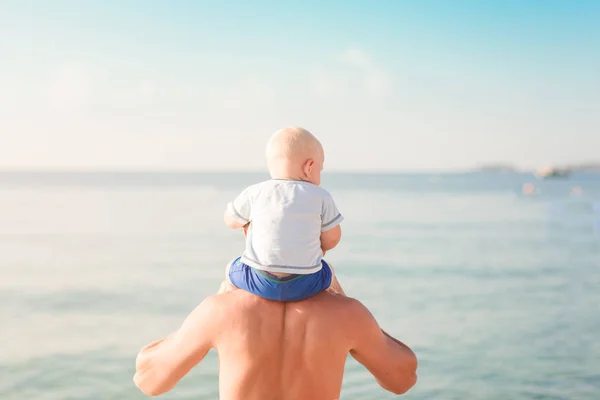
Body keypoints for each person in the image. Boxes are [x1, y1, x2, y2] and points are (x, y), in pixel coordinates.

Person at [133, 283, 418, 399]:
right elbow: (402, 379)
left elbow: (149, 380)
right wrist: (346, 304)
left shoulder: (220, 309)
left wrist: (217, 301)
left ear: (248, 234)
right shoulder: (346, 312)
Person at [223, 127, 345, 302]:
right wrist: (320, 248)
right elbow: (333, 238)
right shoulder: (321, 195)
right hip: (306, 282)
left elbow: (231, 220)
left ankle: (224, 306)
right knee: (329, 271)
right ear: (310, 166)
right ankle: (344, 304)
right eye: (321, 169)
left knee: (231, 268)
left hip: (260, 281)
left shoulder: (255, 192)